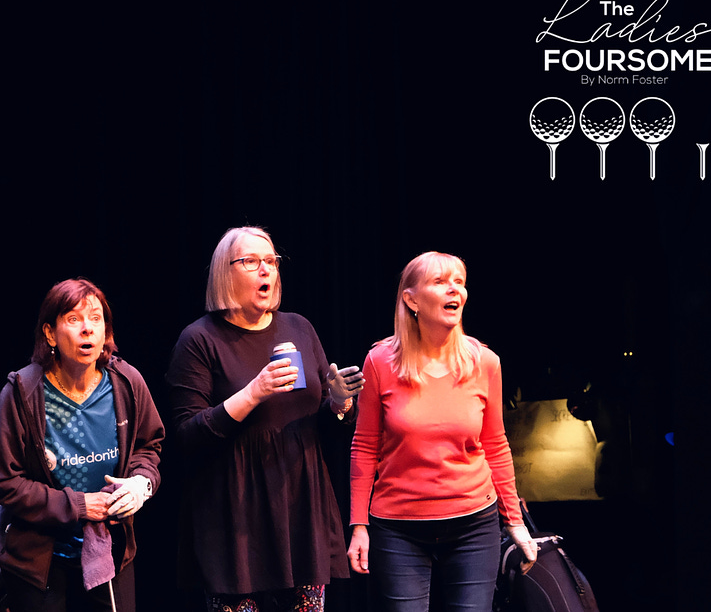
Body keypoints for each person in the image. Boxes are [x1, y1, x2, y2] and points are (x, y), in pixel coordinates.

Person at [165, 226, 362, 612]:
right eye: (251, 261)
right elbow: (188, 435)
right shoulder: (200, 340)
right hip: (236, 519)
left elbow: (323, 427)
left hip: (301, 511)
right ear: (225, 272)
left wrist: (339, 405)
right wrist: (254, 392)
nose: (266, 270)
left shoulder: (299, 327)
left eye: (271, 261)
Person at [346, 251, 537, 611]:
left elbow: (495, 444)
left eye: (460, 282)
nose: (455, 290)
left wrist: (515, 522)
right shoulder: (380, 362)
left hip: (473, 525)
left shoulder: (484, 362)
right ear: (411, 299)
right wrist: (359, 524)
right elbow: (364, 445)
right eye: (440, 282)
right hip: (398, 527)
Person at [0, 278, 165, 611]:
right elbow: (5, 482)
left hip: (109, 550)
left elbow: (148, 446)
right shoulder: (23, 393)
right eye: (74, 319)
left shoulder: (126, 384)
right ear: (50, 333)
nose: (88, 329)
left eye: (96, 318)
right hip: (38, 560)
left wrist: (142, 484)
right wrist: (79, 506)